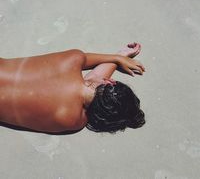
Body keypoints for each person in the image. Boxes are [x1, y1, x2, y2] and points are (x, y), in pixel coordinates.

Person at [0, 43, 145, 134]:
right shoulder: (72, 120)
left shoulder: (72, 59)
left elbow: (89, 81)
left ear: (110, 81)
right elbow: (84, 90)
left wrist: (117, 57)